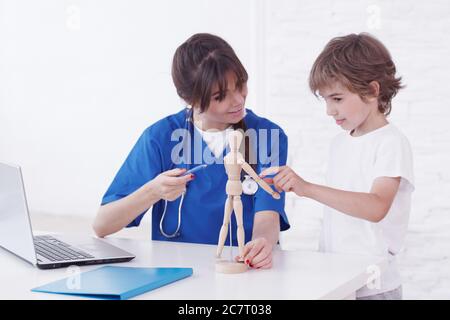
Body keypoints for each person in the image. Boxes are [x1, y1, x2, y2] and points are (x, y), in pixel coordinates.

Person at [93, 33, 290, 270]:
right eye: (220, 96)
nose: (238, 100)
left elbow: (268, 214)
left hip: (244, 271)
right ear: (191, 99)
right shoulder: (160, 137)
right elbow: (102, 225)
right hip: (178, 273)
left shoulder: (269, 136)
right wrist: (153, 191)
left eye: (240, 85)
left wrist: (262, 244)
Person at [261, 33, 414, 298]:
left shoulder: (391, 143)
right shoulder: (339, 144)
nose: (329, 111)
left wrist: (306, 188)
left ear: (373, 91)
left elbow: (376, 206)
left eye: (338, 99)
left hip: (375, 288)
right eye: (326, 100)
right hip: (338, 282)